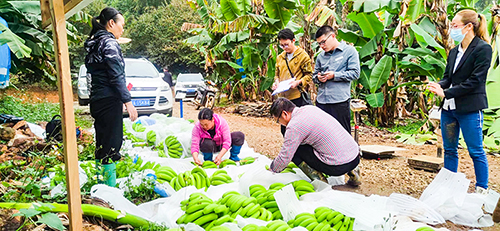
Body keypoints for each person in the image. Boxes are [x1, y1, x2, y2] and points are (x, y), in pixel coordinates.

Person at [428, 9, 492, 194]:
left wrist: (446, 93)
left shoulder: (483, 49)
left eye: (454, 26)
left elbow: (475, 81)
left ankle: (482, 188)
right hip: (449, 110)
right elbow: (448, 77)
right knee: (449, 150)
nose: (451, 29)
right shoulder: (455, 51)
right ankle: (448, 187)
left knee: (475, 150)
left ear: (468, 26)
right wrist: (437, 85)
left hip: (469, 108)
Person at [85, 7, 138, 187]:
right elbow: (116, 75)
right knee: (112, 145)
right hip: (109, 100)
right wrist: (128, 102)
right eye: (121, 25)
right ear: (111, 23)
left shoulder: (94, 42)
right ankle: (109, 192)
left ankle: (100, 185)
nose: (122, 29)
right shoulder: (109, 43)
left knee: (102, 143)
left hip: (97, 99)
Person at [269, 98, 361, 186]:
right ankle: (354, 175)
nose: (280, 124)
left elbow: (285, 157)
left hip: (338, 167)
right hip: (355, 156)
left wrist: (273, 168)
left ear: (285, 114)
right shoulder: (309, 108)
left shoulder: (294, 126)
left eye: (278, 121)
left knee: (296, 151)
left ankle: (320, 182)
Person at [313, 25, 360, 135]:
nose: (322, 46)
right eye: (319, 43)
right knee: (322, 134)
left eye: (323, 42)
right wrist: (319, 78)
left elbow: (355, 73)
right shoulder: (320, 56)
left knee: (342, 134)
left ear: (333, 36)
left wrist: (335, 75)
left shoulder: (349, 51)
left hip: (339, 101)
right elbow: (314, 76)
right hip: (322, 101)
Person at [272, 28, 313, 136]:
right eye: (282, 45)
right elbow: (277, 74)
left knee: (296, 127)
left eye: (286, 44)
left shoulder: (302, 56)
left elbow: (309, 75)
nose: (284, 47)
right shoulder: (280, 57)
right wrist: (276, 82)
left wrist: (298, 82)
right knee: (284, 128)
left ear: (293, 41)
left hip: (296, 97)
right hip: (283, 97)